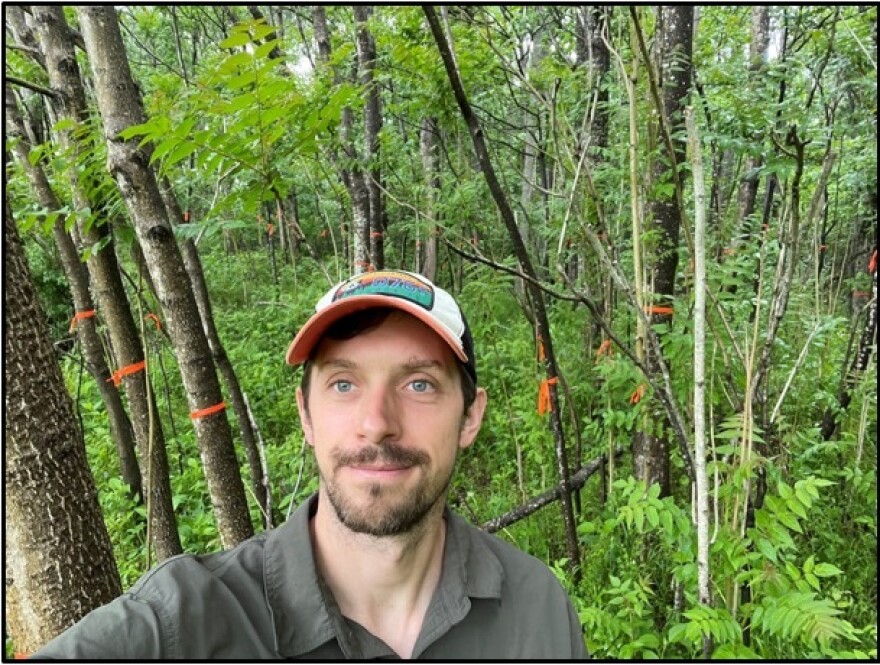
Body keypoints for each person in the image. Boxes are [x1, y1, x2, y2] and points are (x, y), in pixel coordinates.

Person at [34, 269, 588, 659]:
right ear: (306, 415)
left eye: (419, 384)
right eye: (344, 384)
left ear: (470, 416)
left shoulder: (537, 608)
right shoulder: (186, 621)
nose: (376, 422)